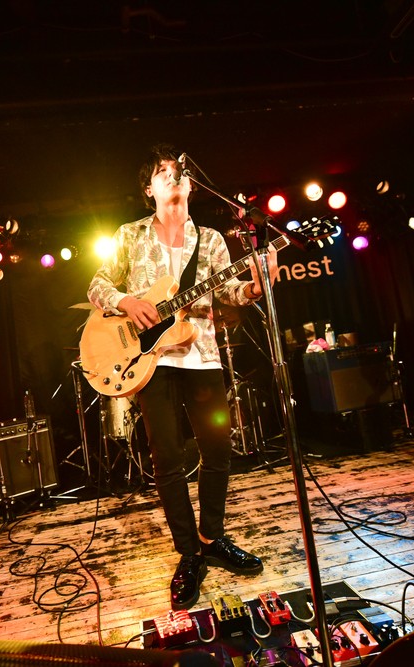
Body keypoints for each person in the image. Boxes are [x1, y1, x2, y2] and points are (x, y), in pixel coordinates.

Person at [87, 143, 274, 610]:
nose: (173, 176)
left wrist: (254, 287)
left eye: (179, 171)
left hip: (203, 356)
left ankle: (212, 537)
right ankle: (188, 553)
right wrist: (127, 301)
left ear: (191, 185)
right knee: (167, 460)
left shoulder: (210, 239)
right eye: (162, 172)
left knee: (218, 451)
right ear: (149, 189)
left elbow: (228, 291)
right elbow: (97, 284)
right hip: (152, 363)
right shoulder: (129, 235)